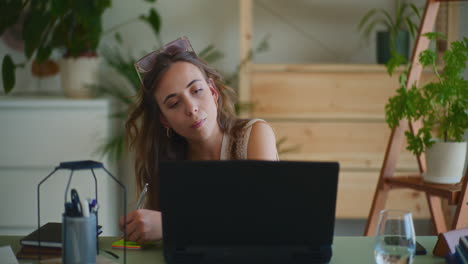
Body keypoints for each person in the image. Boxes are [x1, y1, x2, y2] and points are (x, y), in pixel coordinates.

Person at [120, 36, 278, 244]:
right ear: (164, 119)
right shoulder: (168, 163)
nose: (191, 108)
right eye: (174, 103)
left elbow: (263, 220)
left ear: (213, 92)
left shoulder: (254, 135)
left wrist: (170, 224)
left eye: (196, 91)